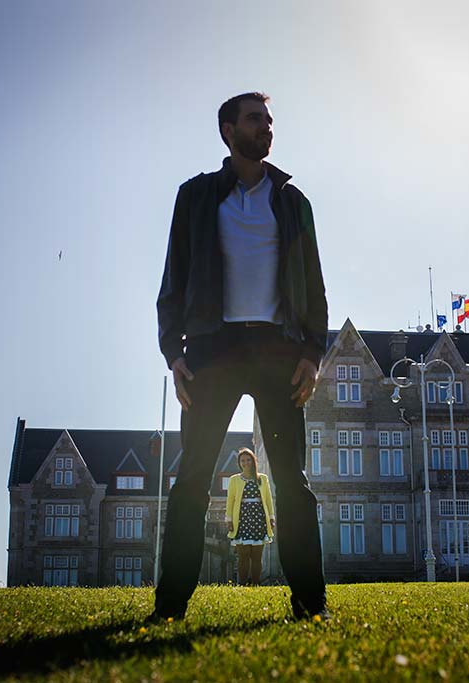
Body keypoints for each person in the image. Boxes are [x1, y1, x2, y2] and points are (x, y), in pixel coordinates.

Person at [151, 92, 329, 621]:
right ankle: (170, 606)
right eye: (255, 119)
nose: (266, 127)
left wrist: (313, 354)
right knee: (193, 479)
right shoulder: (197, 197)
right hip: (214, 348)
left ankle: (310, 603)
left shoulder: (293, 203)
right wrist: (172, 353)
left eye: (270, 120)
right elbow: (173, 278)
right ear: (229, 130)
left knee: (292, 483)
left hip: (278, 350)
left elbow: (315, 289)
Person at [226, 448, 275, 585]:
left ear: (253, 461)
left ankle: (255, 584)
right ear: (239, 463)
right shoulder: (234, 479)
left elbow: (268, 499)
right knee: (243, 555)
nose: (246, 463)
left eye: (248, 460)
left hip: (259, 519)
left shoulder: (263, 479)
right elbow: (230, 500)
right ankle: (242, 585)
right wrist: (229, 520)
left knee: (256, 556)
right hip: (242, 519)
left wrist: (271, 517)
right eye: (243, 461)